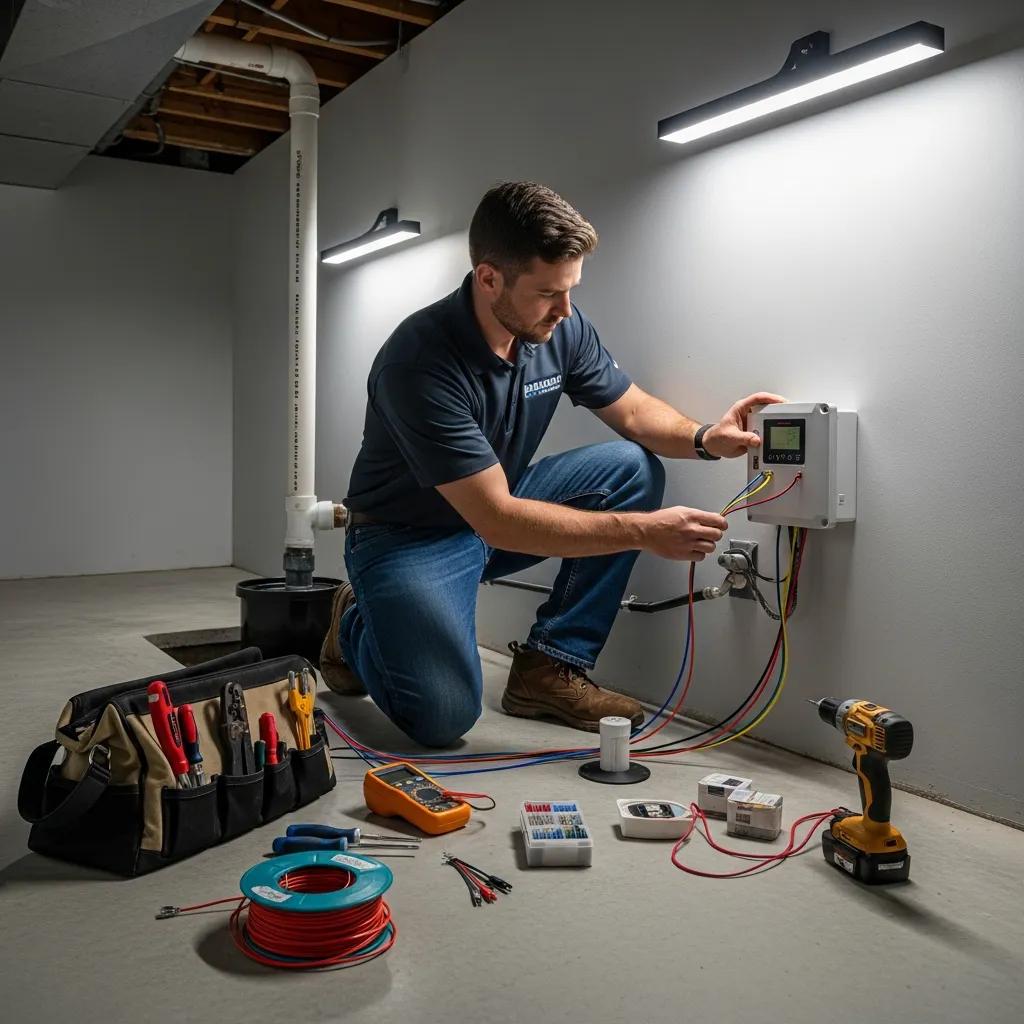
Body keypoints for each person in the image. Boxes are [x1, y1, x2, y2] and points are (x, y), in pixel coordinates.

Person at [320, 181, 782, 747]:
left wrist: (708, 436)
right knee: (444, 718)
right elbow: (496, 519)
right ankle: (355, 620)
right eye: (547, 293)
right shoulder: (419, 362)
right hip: (408, 538)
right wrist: (642, 533)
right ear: (489, 278)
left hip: (497, 506)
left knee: (629, 467)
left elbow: (633, 411)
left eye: (570, 290)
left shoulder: (558, 326)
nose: (565, 310)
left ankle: (548, 667)